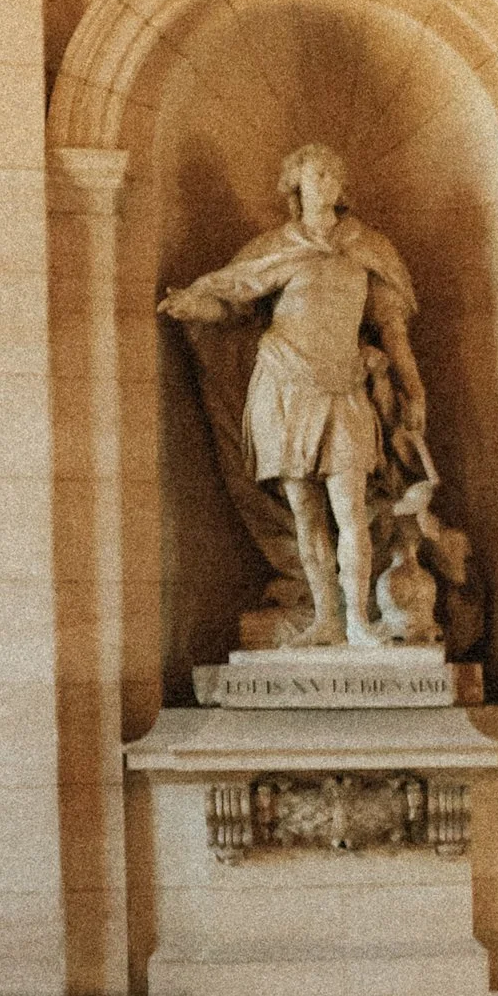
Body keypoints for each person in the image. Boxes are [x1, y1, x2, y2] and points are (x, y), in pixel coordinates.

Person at [158, 143, 422, 645]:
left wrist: (414, 389)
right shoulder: (274, 248)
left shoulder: (368, 249)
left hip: (342, 387)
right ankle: (325, 617)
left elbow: (393, 331)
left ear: (342, 186)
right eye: (313, 173)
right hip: (283, 386)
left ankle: (359, 622)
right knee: (305, 511)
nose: (323, 180)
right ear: (295, 186)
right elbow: (232, 302)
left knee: (350, 510)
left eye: (330, 173)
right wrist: (195, 307)